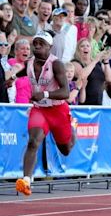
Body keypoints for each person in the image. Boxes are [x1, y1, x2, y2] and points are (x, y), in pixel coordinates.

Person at [15, 31, 76, 196]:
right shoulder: (29, 63)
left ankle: (73, 129)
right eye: (35, 43)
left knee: (66, 149)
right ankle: (26, 181)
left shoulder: (56, 64)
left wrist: (45, 94)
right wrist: (11, 77)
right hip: (39, 109)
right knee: (33, 141)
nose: (37, 46)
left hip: (57, 110)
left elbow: (65, 92)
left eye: (41, 44)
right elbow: (21, 72)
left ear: (50, 47)